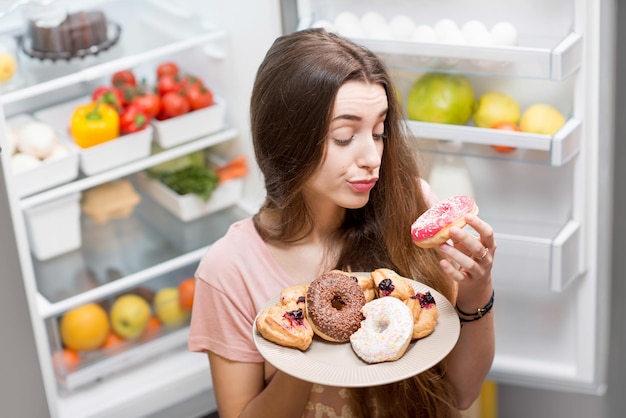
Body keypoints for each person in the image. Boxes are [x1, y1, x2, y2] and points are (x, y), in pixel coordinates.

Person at [189, 28, 495, 418]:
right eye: (345, 136)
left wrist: (477, 290)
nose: (372, 156)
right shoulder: (230, 268)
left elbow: (461, 394)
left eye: (379, 131)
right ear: (287, 139)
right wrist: (307, 337)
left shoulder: (412, 205)